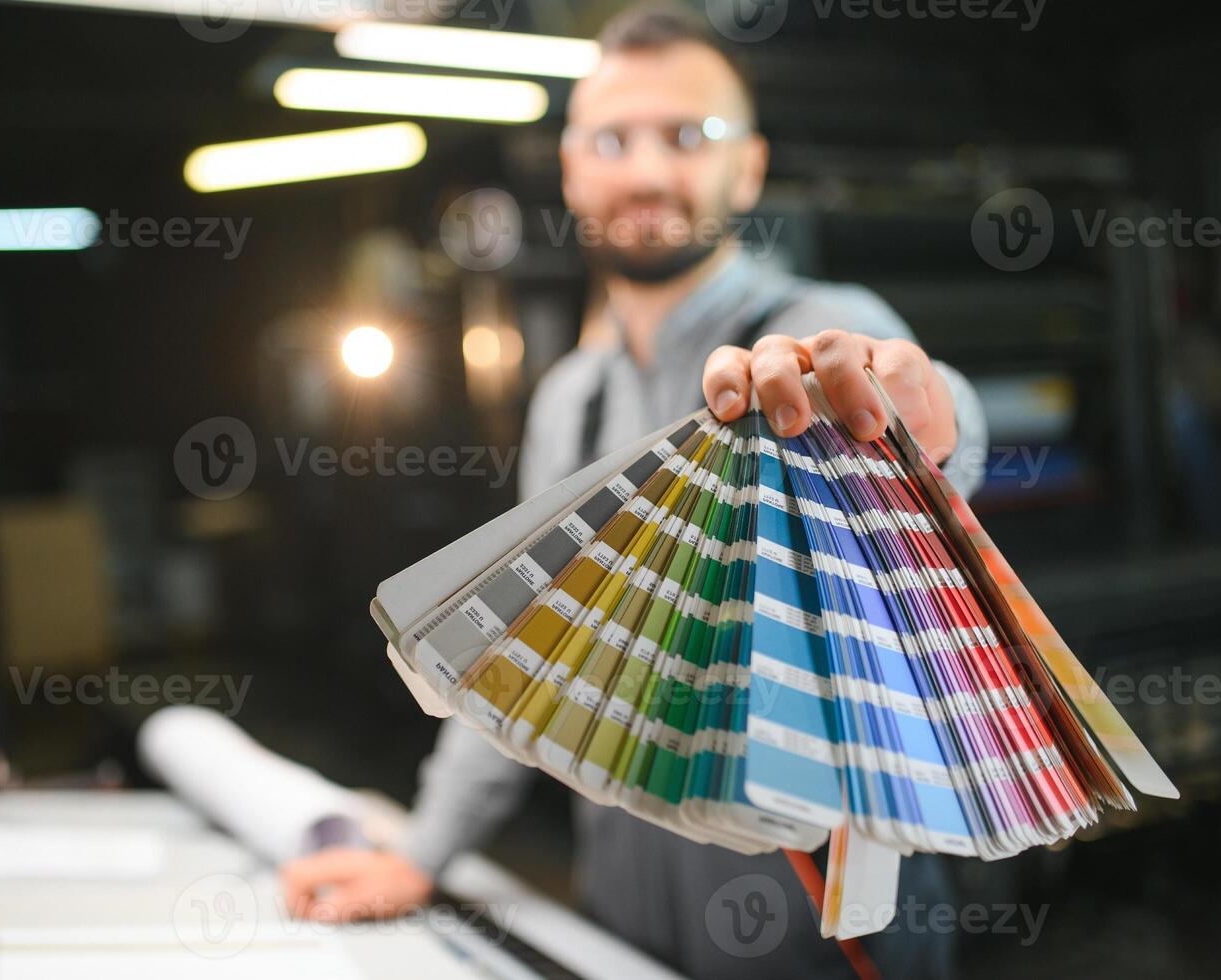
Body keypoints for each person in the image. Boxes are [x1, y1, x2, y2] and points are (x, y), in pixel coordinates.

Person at [282, 7, 987, 978]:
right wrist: (419, 851)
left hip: (818, 931)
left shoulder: (820, 329)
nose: (649, 171)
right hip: (621, 914)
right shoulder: (571, 398)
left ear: (748, 168)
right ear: (572, 170)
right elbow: (513, 663)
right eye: (614, 139)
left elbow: (930, 418)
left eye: (689, 137)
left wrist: (931, 424)